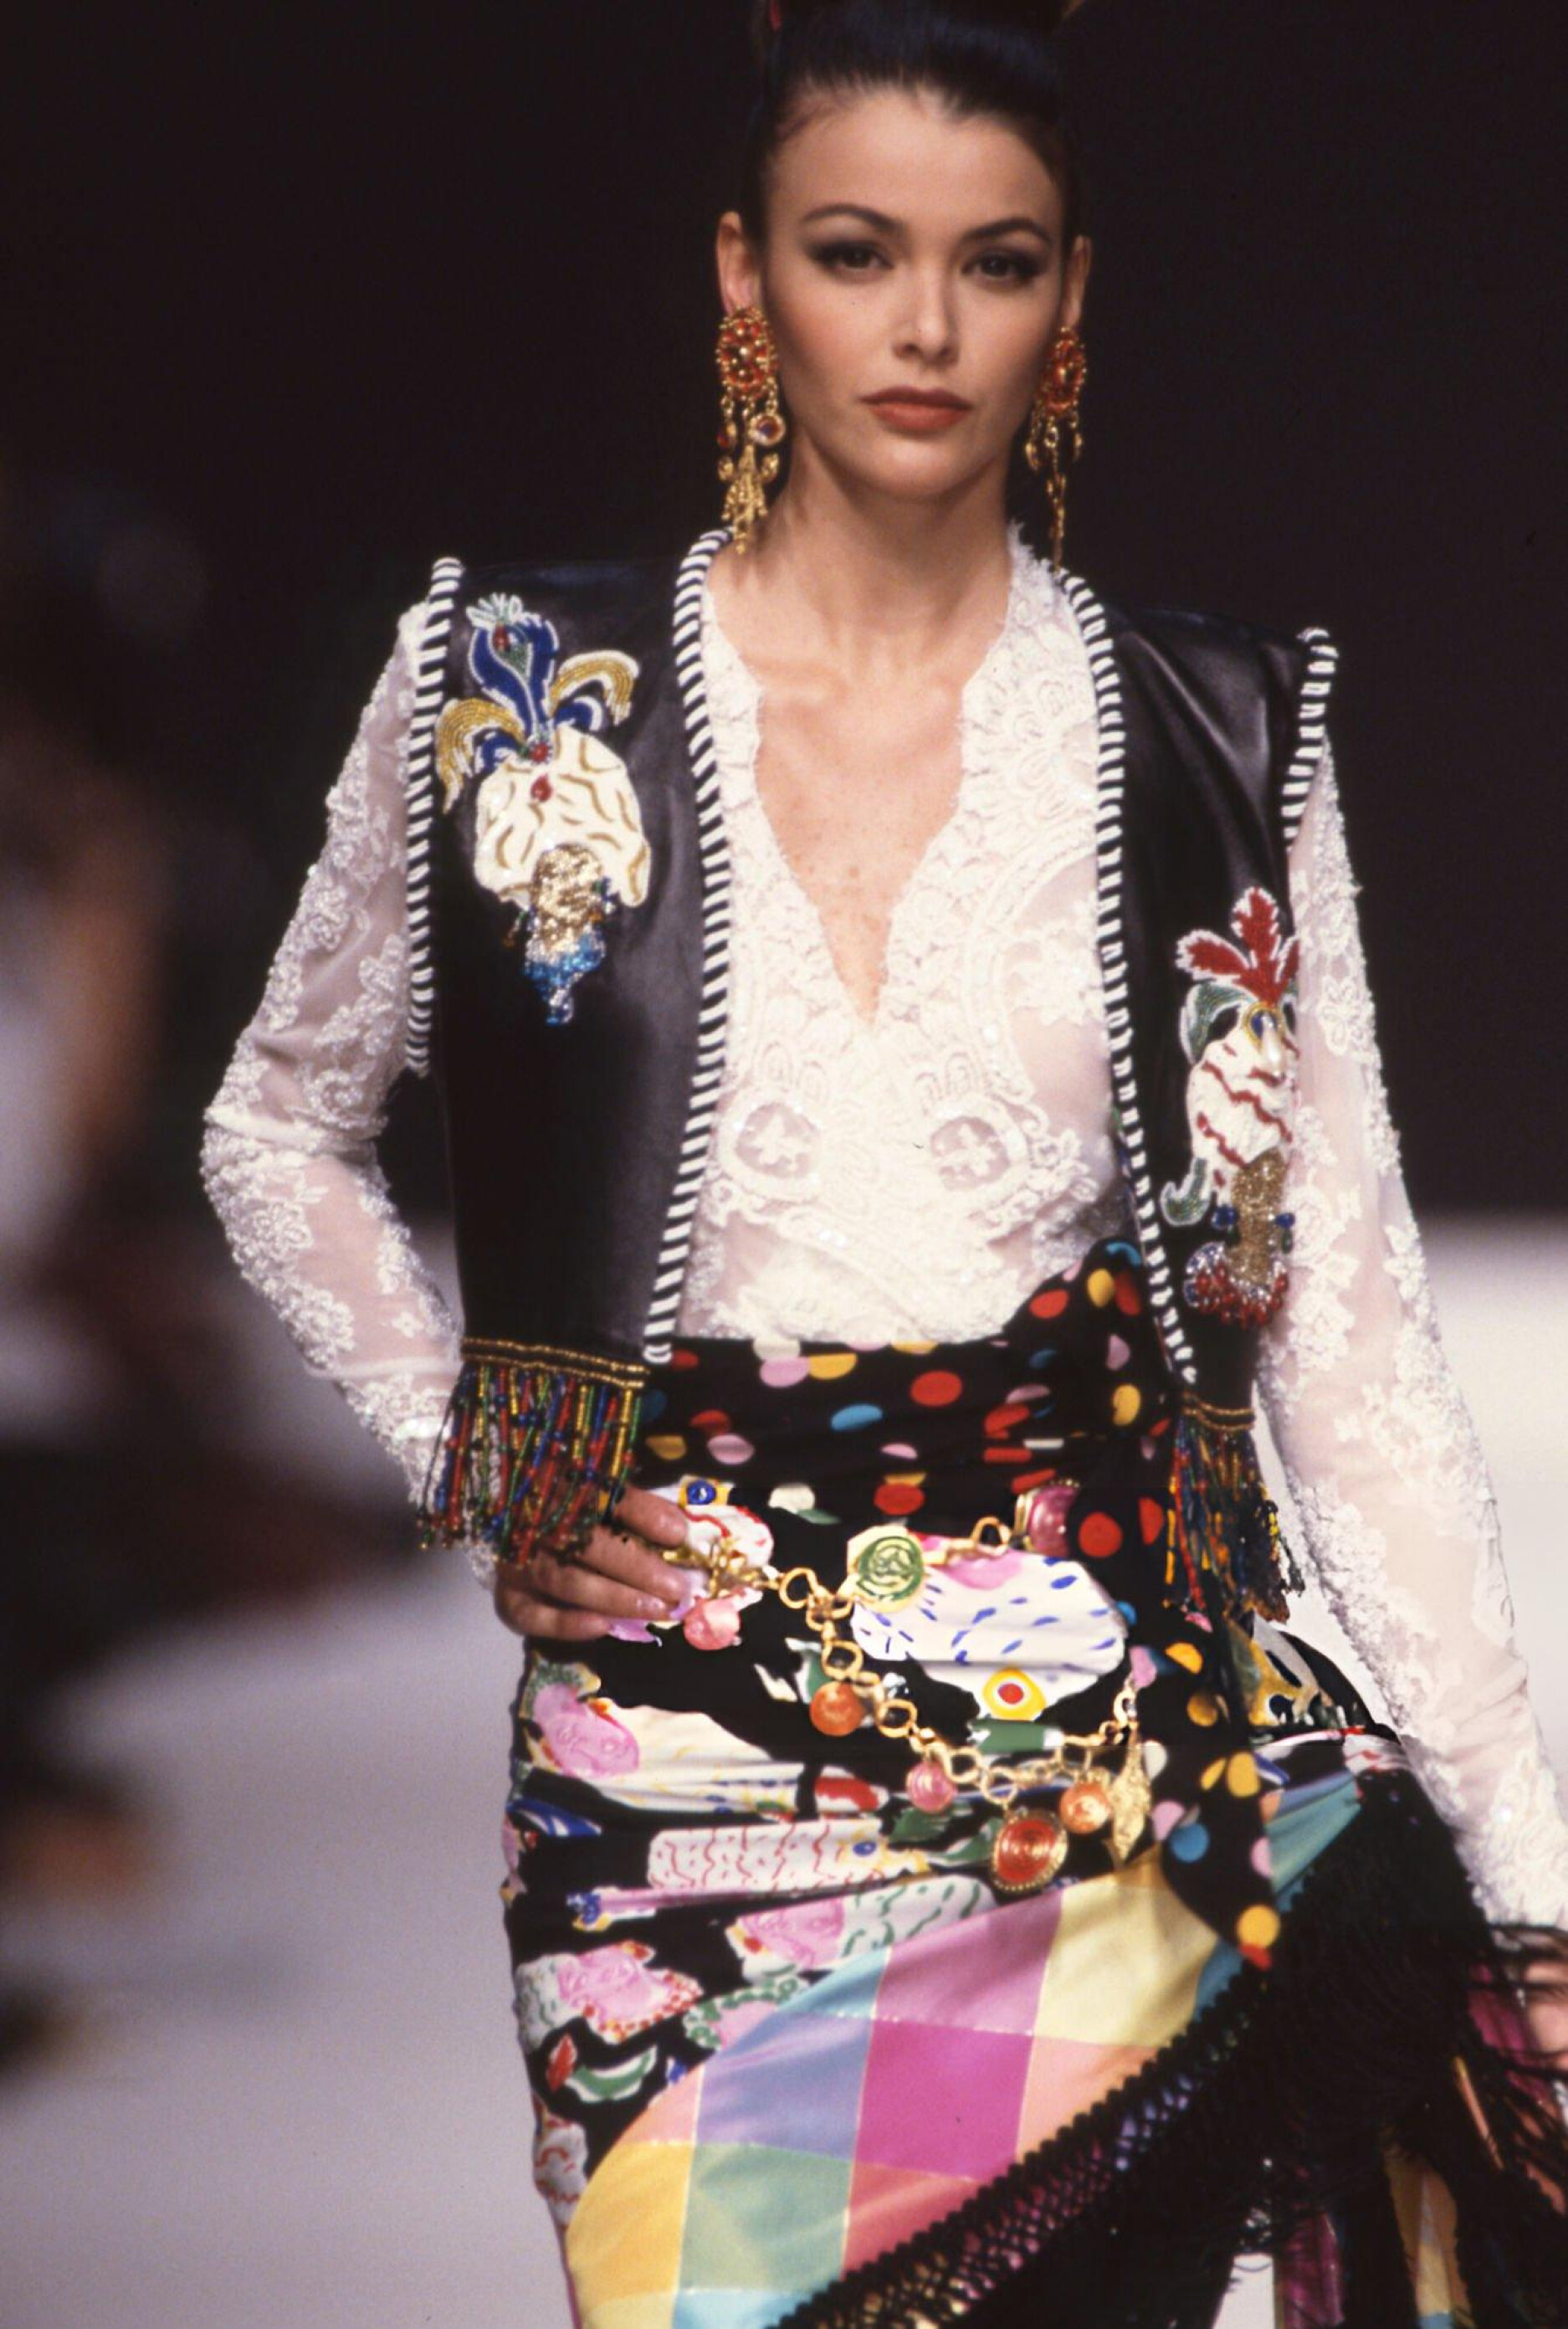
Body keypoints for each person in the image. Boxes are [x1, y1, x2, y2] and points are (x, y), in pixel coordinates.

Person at [202, 2, 1568, 2320]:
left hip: (1116, 1773)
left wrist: (1525, 1886)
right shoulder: (513, 692)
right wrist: (486, 1455)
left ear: (1068, 297)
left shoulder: (1210, 734)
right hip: (669, 1766)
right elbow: (278, 1123)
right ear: (744, 276)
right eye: (856, 252)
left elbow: (1341, 1326)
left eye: (993, 261)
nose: (925, 325)